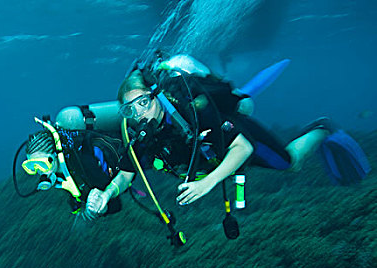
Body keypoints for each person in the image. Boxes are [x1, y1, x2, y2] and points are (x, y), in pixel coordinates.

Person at [87, 61, 369, 215]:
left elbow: (243, 147)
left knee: (291, 163)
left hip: (238, 140)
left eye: (144, 102)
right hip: (218, 159)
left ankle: (322, 125)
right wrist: (105, 194)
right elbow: (125, 174)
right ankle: (244, 95)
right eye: (129, 109)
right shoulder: (145, 140)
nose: (140, 114)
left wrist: (207, 183)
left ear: (156, 96)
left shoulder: (192, 110)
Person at [20, 117, 124, 220]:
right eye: (31, 166)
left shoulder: (86, 161)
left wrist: (101, 206)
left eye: (42, 164)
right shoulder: (60, 171)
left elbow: (116, 204)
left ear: (55, 155)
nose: (39, 170)